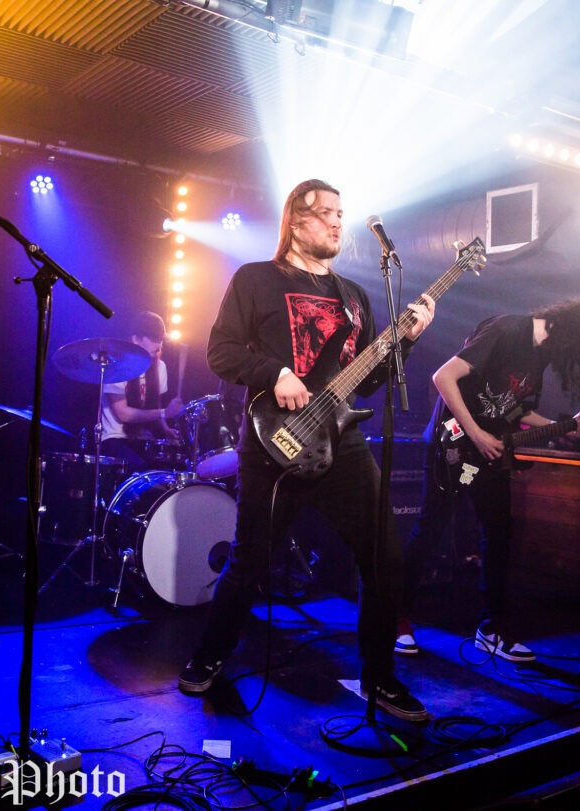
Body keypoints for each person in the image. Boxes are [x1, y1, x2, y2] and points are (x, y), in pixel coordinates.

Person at [177, 179, 436, 723]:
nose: (339, 223)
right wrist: (274, 373)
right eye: (326, 214)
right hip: (275, 440)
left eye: (343, 214)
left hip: (340, 445)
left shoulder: (356, 295)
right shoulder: (256, 279)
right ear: (296, 221)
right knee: (250, 562)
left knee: (384, 560)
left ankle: (381, 679)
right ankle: (211, 655)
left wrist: (407, 338)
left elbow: (363, 382)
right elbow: (220, 352)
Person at [396, 299, 580, 662]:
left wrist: (567, 425)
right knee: (430, 529)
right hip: (453, 442)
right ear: (570, 333)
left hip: (488, 451)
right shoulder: (507, 329)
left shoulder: (539, 354)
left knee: (499, 532)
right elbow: (443, 377)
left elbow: (515, 408)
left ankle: (492, 628)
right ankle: (395, 617)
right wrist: (475, 433)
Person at [99, 311, 185, 471]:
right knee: (140, 468)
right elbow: (122, 413)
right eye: (154, 339)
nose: (159, 345)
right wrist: (164, 412)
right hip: (115, 439)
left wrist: (165, 429)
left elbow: (155, 405)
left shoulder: (160, 367)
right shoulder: (117, 366)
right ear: (136, 339)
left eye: (160, 340)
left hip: (145, 439)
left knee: (171, 470)